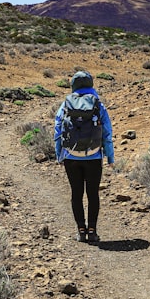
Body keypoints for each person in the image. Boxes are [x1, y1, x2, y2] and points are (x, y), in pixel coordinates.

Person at [54, 71, 114, 244]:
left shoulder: (65, 104)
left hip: (71, 157)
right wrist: (109, 156)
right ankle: (93, 231)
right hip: (94, 156)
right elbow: (107, 133)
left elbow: (58, 130)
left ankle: (81, 230)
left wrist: (60, 154)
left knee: (76, 193)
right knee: (93, 193)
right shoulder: (98, 104)